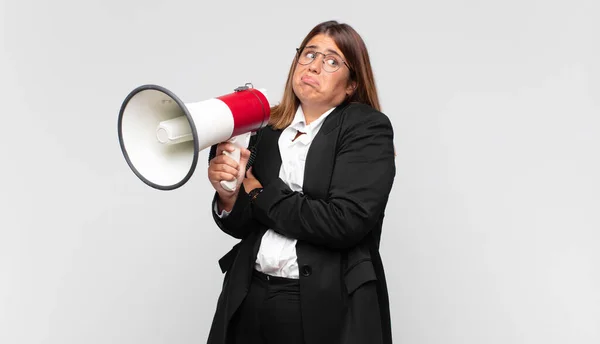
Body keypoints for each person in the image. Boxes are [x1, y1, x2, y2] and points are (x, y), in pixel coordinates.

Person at [206, 20, 396, 344]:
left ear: (351, 85)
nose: (314, 66)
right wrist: (230, 192)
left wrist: (258, 191)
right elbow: (246, 224)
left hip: (322, 305)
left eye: (332, 61)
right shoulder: (268, 127)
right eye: (309, 54)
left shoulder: (368, 129)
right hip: (250, 295)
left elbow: (344, 221)